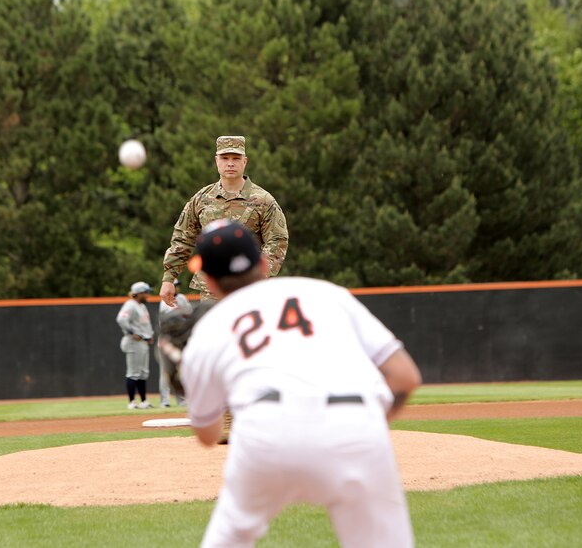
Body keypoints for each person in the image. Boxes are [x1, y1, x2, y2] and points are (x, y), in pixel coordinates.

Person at [180, 220, 422, 548]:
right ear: (263, 264)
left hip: (267, 433)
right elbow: (405, 377)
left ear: (207, 280)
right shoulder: (325, 293)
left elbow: (209, 436)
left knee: (230, 537)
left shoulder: (209, 331)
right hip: (355, 425)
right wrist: (362, 426)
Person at [159, 135, 288, 307]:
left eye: (236, 158)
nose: (230, 163)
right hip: (212, 288)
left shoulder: (263, 201)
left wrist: (258, 276)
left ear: (245, 161)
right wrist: (169, 278)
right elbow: (183, 238)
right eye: (225, 158)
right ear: (216, 161)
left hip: (249, 288)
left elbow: (277, 241)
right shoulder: (201, 199)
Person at [116, 281, 155, 409]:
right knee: (133, 373)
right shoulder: (130, 305)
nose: (148, 295)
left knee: (143, 373)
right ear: (139, 293)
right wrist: (131, 332)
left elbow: (143, 324)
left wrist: (149, 335)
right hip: (133, 342)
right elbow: (121, 319)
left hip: (142, 342)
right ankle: (132, 402)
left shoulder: (141, 306)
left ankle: (144, 401)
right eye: (146, 292)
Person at [156, 279, 193, 407]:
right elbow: (169, 320)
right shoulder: (165, 301)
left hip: (181, 338)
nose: (177, 288)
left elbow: (189, 314)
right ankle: (165, 401)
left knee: (182, 370)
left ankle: (181, 399)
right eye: (175, 286)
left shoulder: (182, 298)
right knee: (167, 371)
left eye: (177, 286)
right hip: (168, 338)